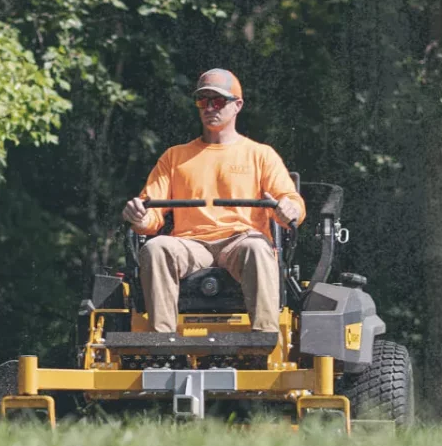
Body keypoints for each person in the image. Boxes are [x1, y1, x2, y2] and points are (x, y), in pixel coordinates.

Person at [122, 68, 305, 334]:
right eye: (202, 101)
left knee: (257, 247)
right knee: (156, 248)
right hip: (190, 244)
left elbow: (291, 205)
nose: (209, 107)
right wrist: (139, 216)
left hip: (240, 241)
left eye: (217, 101)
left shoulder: (261, 155)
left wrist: (290, 209)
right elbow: (151, 217)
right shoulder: (175, 157)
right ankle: (163, 343)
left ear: (237, 105)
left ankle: (264, 339)